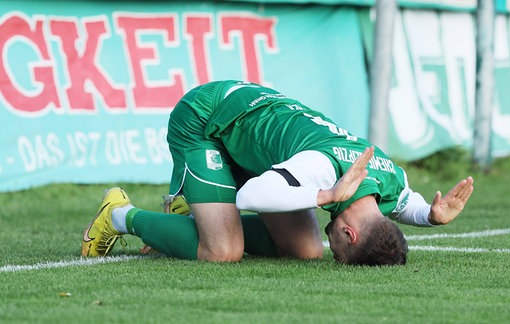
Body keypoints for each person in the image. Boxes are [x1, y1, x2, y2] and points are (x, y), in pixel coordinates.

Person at [81, 80, 474, 265]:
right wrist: (325, 197)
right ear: (350, 233)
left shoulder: (385, 175)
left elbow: (405, 201)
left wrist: (430, 215)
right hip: (206, 120)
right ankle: (118, 215)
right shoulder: (320, 171)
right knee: (222, 251)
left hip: (257, 128)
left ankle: (189, 215)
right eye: (342, 254)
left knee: (304, 251)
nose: (332, 252)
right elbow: (250, 195)